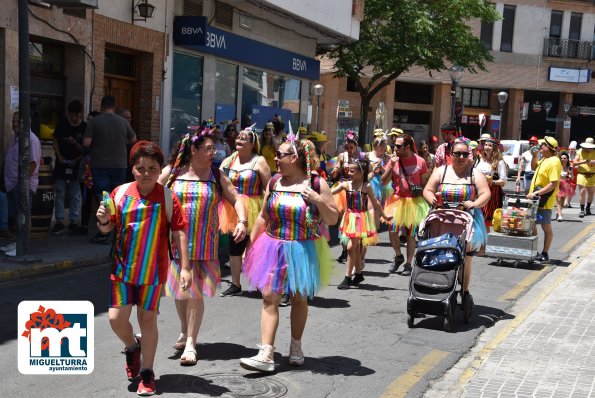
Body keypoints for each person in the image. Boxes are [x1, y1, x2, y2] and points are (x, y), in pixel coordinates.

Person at [98, 140, 190, 396]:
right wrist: (103, 220)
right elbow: (107, 228)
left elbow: (179, 231)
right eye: (141, 168)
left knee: (147, 320)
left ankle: (147, 374)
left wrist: (185, 267)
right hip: (122, 270)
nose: (146, 173)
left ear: (160, 168)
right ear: (132, 169)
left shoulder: (168, 197)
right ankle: (132, 347)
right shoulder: (120, 193)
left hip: (152, 272)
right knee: (116, 319)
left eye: (152, 167)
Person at [238, 137, 338, 373]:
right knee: (269, 296)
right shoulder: (274, 181)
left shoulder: (316, 183)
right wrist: (250, 246)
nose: (276, 158)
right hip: (272, 246)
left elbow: (333, 218)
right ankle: (266, 352)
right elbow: (263, 216)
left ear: (294, 158)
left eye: (280, 154)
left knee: (299, 297)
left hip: (302, 249)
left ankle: (295, 346)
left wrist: (317, 200)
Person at [159, 131, 247, 366]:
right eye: (208, 148)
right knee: (180, 293)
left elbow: (237, 199)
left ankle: (191, 343)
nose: (213, 153)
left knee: (194, 292)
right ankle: (184, 328)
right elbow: (151, 196)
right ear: (192, 150)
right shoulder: (173, 172)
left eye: (214, 148)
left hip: (204, 244)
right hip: (175, 245)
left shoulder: (217, 175)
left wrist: (242, 221)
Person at [423, 139, 490, 305]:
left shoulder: (475, 173)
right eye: (457, 153)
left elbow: (485, 193)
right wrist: (432, 200)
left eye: (465, 154)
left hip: (465, 222)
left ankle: (464, 291)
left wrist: (474, 203)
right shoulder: (440, 171)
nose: (461, 157)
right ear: (451, 155)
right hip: (441, 219)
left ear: (469, 155)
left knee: (466, 257)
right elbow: (428, 190)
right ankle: (440, 284)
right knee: (440, 251)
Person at [219, 127, 271, 297]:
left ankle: (258, 281)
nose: (238, 141)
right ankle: (235, 283)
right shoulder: (229, 160)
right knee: (234, 246)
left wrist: (267, 210)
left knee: (254, 246)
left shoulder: (259, 161)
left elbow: (268, 187)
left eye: (243, 139)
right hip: (233, 207)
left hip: (254, 206)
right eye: (238, 138)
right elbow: (219, 179)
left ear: (252, 144)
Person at [83, 95, 137, 244]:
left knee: (104, 198)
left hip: (100, 165)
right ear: (114, 106)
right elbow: (133, 139)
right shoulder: (122, 121)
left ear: (101, 106)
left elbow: (86, 142)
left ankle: (105, 231)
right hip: (119, 165)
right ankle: (119, 231)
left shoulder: (95, 122)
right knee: (118, 198)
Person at [332, 158, 391, 289]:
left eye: (352, 171)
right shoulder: (346, 185)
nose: (349, 173)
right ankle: (358, 274)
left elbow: (376, 203)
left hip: (360, 219)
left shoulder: (366, 187)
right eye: (348, 170)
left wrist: (385, 216)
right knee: (356, 248)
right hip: (349, 218)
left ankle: (348, 276)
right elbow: (329, 194)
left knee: (350, 247)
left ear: (361, 173)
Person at [382, 134, 430, 276]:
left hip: (414, 202)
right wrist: (391, 165)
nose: (394, 148)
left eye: (398, 146)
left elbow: (425, 184)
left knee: (411, 234)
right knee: (392, 230)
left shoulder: (420, 161)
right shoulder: (393, 160)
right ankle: (398, 256)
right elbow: (383, 181)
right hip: (397, 200)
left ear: (407, 147)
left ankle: (408, 264)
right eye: (394, 145)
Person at [330, 130, 367, 263]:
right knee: (343, 221)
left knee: (357, 220)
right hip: (342, 189)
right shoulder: (342, 156)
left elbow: (367, 173)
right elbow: (334, 175)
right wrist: (334, 172)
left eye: (351, 147)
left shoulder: (362, 156)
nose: (349, 149)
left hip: (356, 189)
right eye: (347, 146)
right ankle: (345, 250)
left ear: (356, 145)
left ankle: (357, 249)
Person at [51, 99, 85, 234]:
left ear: (81, 114)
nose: (74, 118)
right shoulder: (62, 124)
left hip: (77, 164)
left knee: (75, 194)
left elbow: (85, 148)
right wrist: (59, 156)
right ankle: (59, 221)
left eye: (77, 115)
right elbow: (55, 140)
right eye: (72, 115)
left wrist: (77, 158)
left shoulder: (84, 127)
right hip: (61, 162)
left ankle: (73, 221)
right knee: (59, 192)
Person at [527, 136, 562, 263]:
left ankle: (544, 253)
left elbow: (553, 183)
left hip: (544, 199)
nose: (540, 146)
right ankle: (534, 251)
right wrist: (534, 156)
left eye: (542, 145)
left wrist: (536, 193)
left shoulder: (554, 161)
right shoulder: (545, 159)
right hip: (536, 198)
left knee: (546, 227)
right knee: (531, 224)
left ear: (548, 148)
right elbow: (533, 167)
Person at [5, 111, 42, 227]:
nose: (15, 124)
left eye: (18, 121)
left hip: (21, 185)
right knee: (17, 217)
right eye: (13, 121)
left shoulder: (31, 139)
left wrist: (22, 184)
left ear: (26, 123)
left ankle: (24, 244)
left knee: (24, 217)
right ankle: (17, 243)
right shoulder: (16, 138)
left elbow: (33, 163)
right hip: (13, 185)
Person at [475, 137, 507, 231]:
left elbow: (504, 181)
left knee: (485, 220)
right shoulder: (480, 160)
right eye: (485, 145)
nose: (487, 147)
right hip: (478, 190)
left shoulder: (499, 162)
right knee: (477, 217)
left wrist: (492, 181)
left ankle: (484, 242)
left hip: (491, 192)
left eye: (489, 145)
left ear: (494, 148)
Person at [78, 111, 100, 235]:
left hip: (97, 170)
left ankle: (105, 227)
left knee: (100, 200)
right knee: (86, 199)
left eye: (91, 120)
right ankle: (85, 225)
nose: (89, 122)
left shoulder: (100, 135)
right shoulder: (86, 132)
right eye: (88, 119)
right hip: (87, 171)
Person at [574, 137, 595, 218]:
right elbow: (574, 163)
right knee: (582, 191)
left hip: (592, 174)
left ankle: (588, 208)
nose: (588, 149)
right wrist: (584, 161)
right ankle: (582, 210)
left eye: (589, 147)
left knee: (591, 192)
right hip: (582, 174)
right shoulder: (580, 151)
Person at [555, 150, 573, 222]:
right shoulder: (558, 166)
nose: (563, 159)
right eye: (562, 158)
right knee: (559, 200)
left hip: (565, 184)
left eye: (565, 158)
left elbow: (572, 178)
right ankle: (560, 215)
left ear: (567, 159)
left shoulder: (569, 167)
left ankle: (559, 212)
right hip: (557, 184)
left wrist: (571, 173)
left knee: (562, 201)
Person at [566, 140, 578, 207]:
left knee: (572, 188)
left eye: (572, 149)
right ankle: (566, 202)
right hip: (567, 173)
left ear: (575, 150)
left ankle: (568, 202)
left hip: (575, 174)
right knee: (566, 187)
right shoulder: (567, 156)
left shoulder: (577, 156)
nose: (570, 151)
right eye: (569, 149)